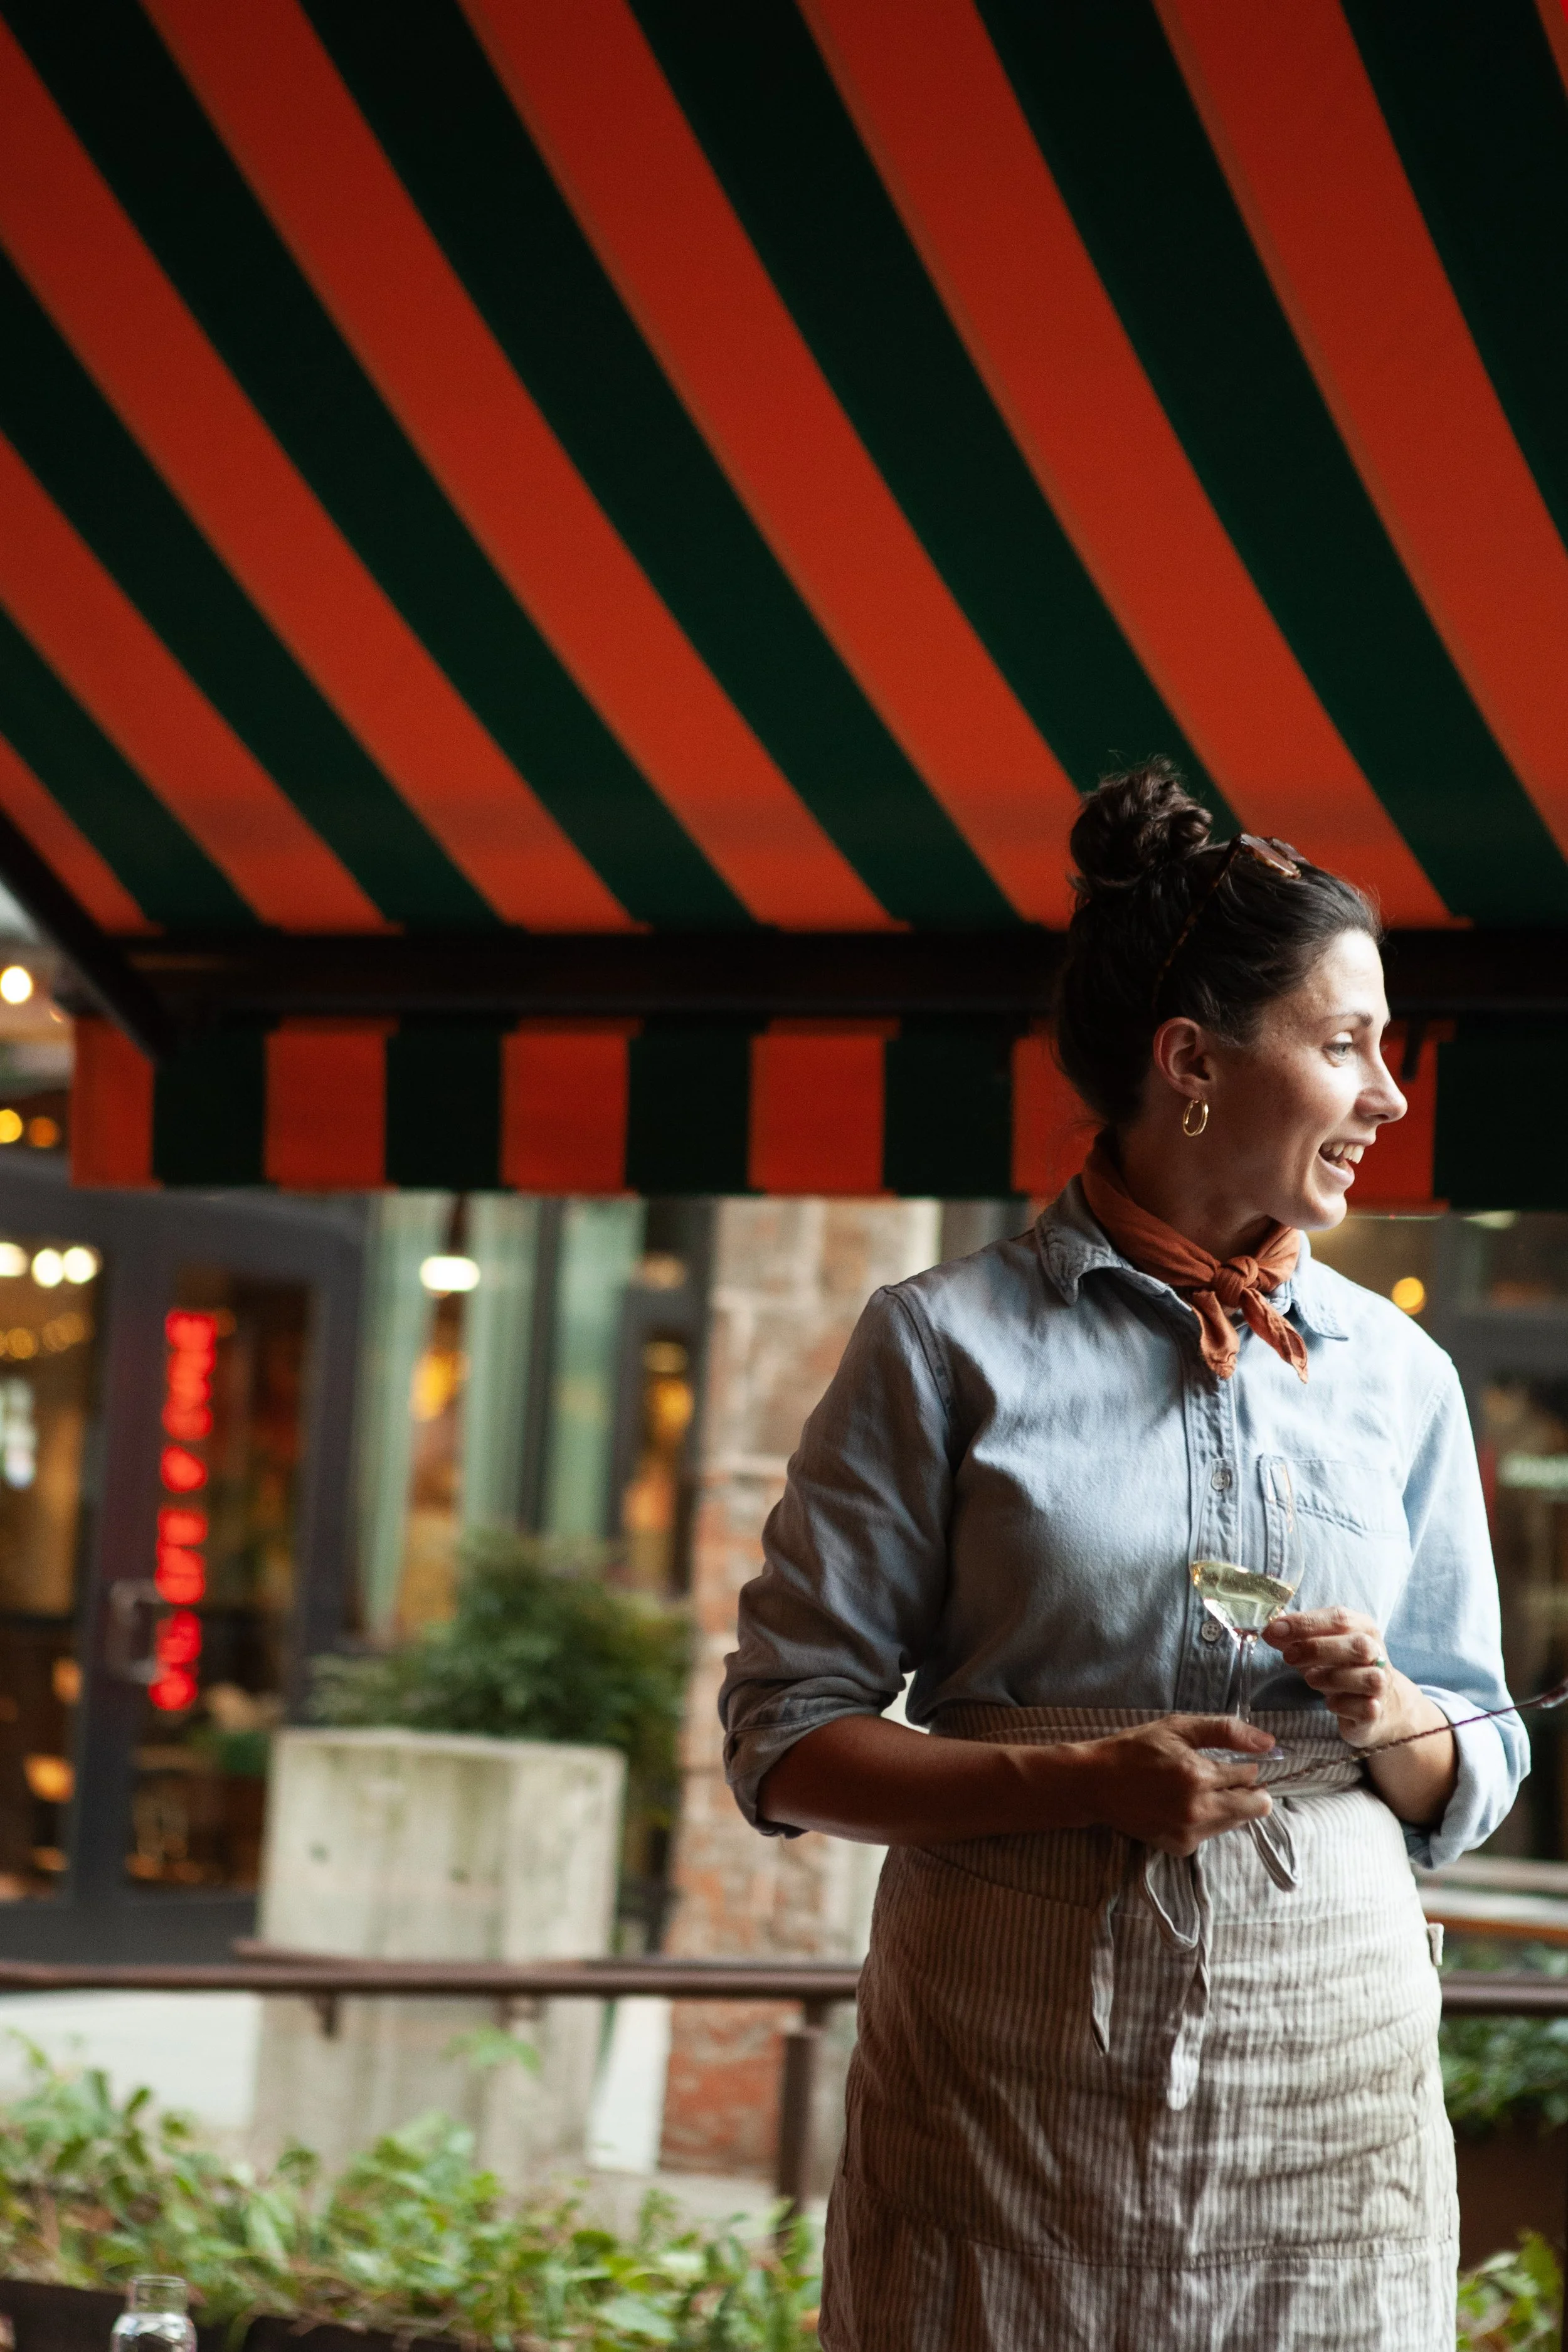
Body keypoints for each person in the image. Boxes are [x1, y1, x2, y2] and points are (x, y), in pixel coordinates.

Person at [718, 763, 1523, 2352]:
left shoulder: (1398, 1375)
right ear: (1189, 1063)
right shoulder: (940, 1344)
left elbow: (1476, 1752)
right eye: (1346, 1044)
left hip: (1331, 2101)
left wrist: (1391, 1720)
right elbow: (783, 1738)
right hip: (1002, 2101)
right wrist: (1076, 1782)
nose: (1388, 1097)